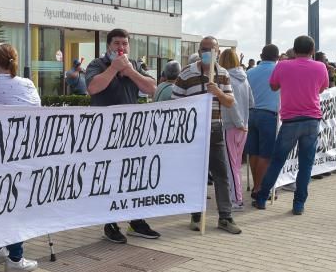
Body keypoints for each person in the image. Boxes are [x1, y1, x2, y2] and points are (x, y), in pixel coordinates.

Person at [86, 28, 158, 243]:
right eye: (117, 44)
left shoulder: (134, 65)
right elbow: (92, 88)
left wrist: (130, 72)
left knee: (133, 176)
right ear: (108, 45)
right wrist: (113, 69)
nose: (121, 48)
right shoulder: (97, 65)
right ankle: (110, 223)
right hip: (106, 133)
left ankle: (136, 221)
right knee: (110, 178)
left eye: (124, 44)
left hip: (131, 132)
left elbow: (152, 88)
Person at [0, 44, 41, 272]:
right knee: (16, 203)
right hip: (19, 151)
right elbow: (37, 113)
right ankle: (15, 258)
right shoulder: (26, 84)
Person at [172, 36, 242, 234]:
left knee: (221, 175)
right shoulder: (186, 74)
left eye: (211, 50)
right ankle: (196, 215)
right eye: (203, 49)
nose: (207, 53)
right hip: (194, 133)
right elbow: (175, 103)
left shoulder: (223, 74)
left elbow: (230, 102)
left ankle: (225, 217)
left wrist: (218, 93)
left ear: (218, 52)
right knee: (196, 175)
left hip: (215, 130)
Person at [253, 36, 330, 215]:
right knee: (306, 164)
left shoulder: (283, 65)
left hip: (290, 121)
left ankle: (262, 197)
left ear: (294, 50)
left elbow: (273, 86)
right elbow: (322, 89)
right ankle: (298, 204)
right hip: (312, 120)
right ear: (312, 51)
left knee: (277, 160)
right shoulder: (320, 67)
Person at [219, 48, 254, 212]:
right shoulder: (245, 78)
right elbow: (251, 102)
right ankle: (236, 197)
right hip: (243, 127)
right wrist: (243, 122)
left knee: (231, 164)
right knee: (236, 164)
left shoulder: (226, 79)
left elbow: (230, 104)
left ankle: (236, 199)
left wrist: (239, 121)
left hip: (231, 125)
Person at [246, 44, 280, 204]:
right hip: (269, 115)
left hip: (251, 114)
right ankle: (259, 188)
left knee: (254, 152)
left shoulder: (250, 72)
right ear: (277, 56)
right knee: (266, 155)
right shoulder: (279, 70)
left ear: (261, 55)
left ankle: (256, 185)